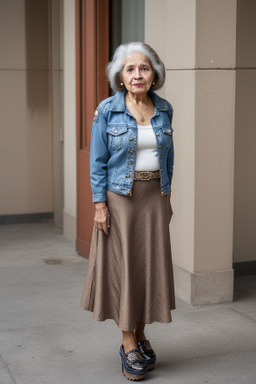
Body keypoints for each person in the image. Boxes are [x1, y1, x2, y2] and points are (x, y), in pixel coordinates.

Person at [80, 42, 175, 381]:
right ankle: (127, 341)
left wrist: (167, 196)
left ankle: (142, 332)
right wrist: (99, 204)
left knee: (148, 267)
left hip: (153, 197)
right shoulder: (107, 110)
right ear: (120, 77)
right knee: (124, 270)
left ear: (154, 74)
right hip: (120, 199)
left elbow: (168, 158)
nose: (138, 74)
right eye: (130, 69)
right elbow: (98, 161)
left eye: (144, 68)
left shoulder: (164, 109)